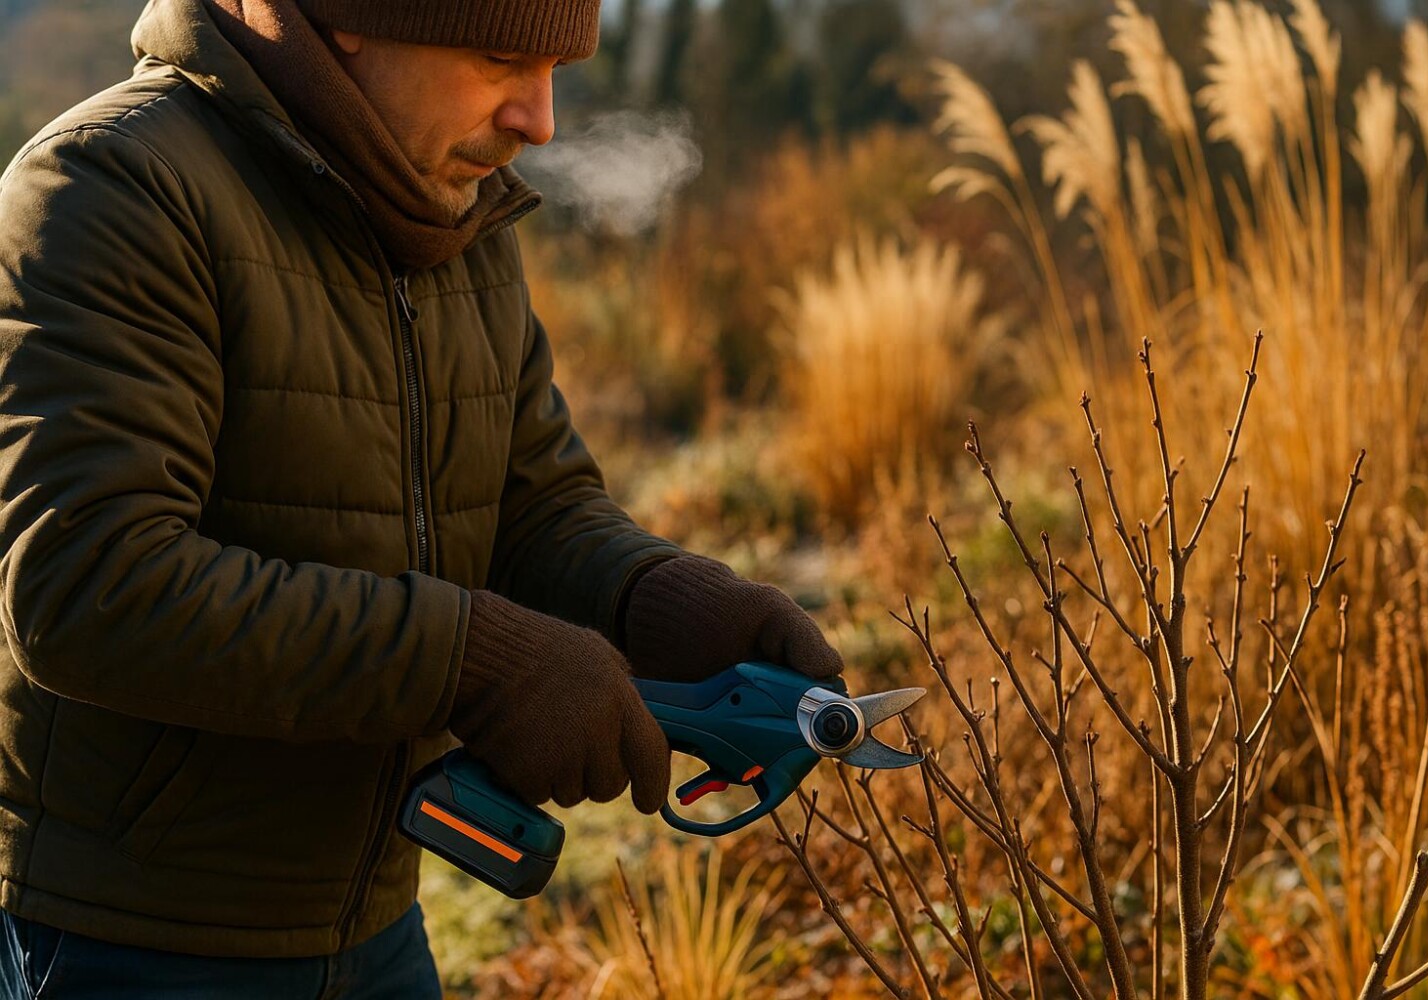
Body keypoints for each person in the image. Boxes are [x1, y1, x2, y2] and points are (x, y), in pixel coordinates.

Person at [0, 0, 844, 994]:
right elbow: (89, 588)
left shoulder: (453, 210)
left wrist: (657, 599)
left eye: (558, 71)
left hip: (379, 933)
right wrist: (472, 663)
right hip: (127, 945)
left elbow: (532, 506)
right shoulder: (112, 186)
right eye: (500, 59)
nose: (540, 121)